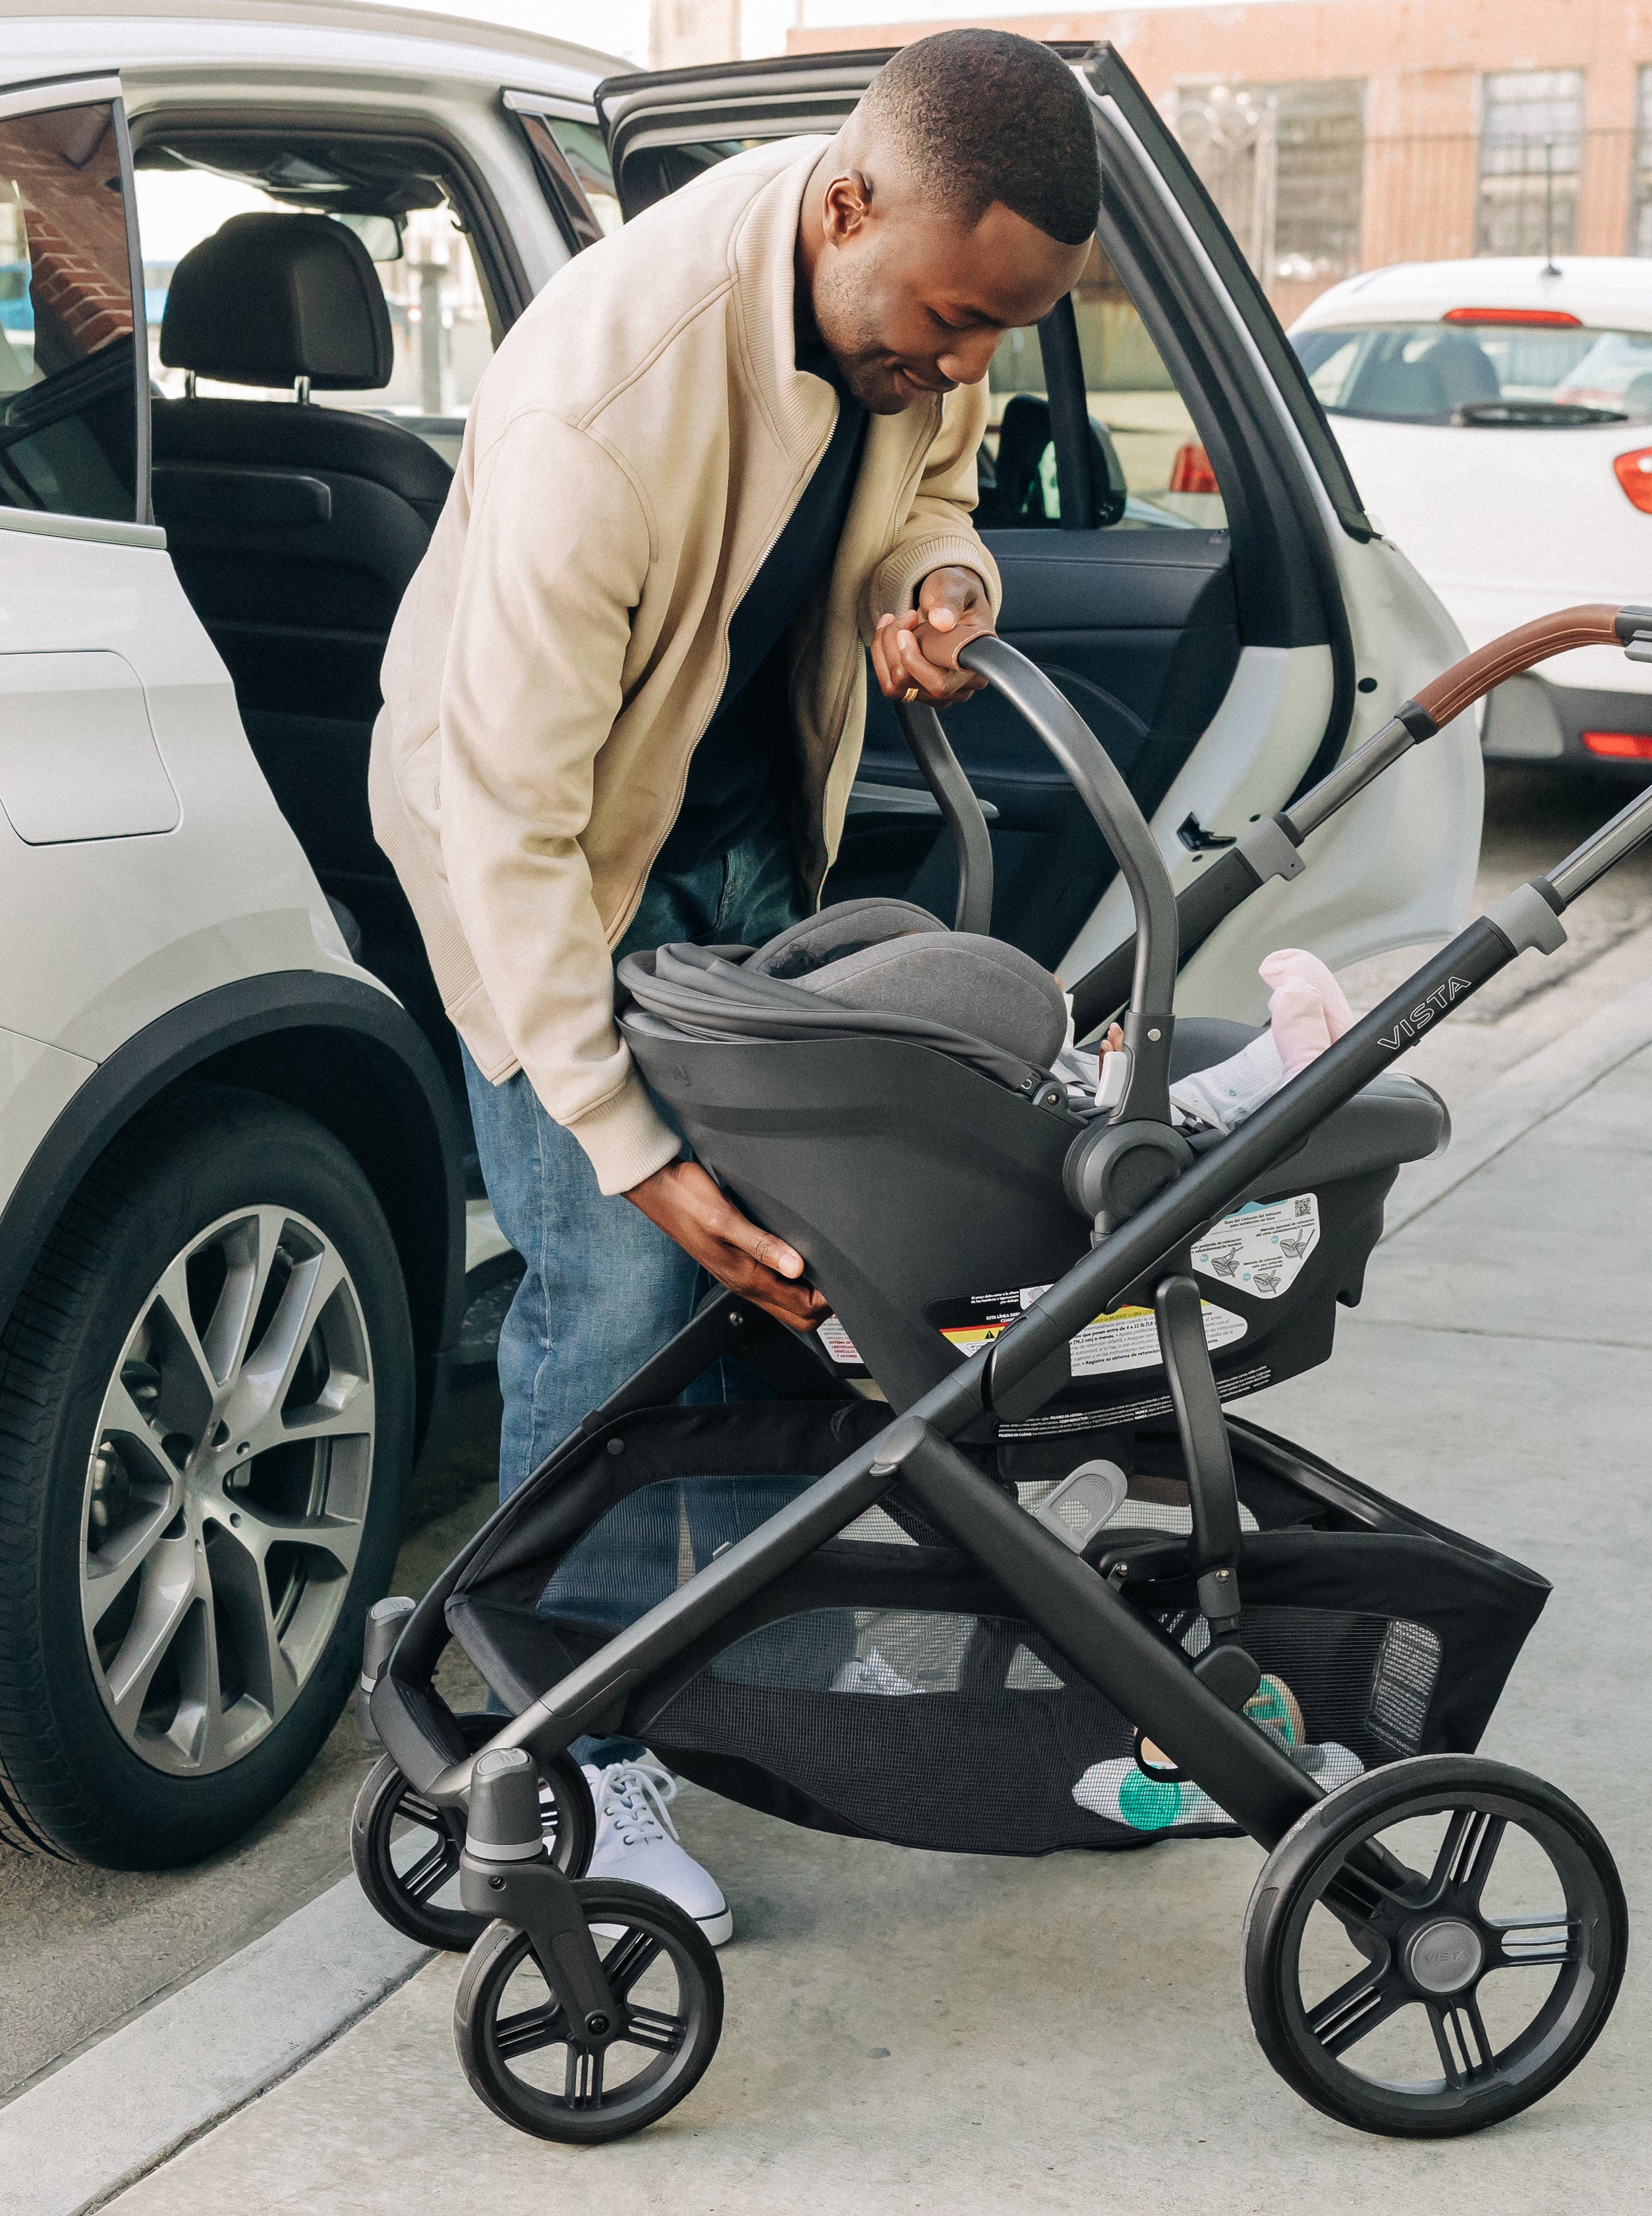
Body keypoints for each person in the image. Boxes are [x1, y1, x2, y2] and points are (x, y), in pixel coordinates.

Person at [366, 30, 1104, 1942]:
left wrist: (939, 587)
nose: (959, 365)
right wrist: (623, 1142)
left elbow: (929, 474)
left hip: (735, 814)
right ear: (847, 206)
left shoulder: (911, 298)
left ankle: (778, 1648)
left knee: (802, 1272)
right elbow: (505, 820)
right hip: (533, 854)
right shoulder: (600, 411)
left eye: (990, 338)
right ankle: (573, 1742)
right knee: (615, 1308)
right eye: (947, 318)